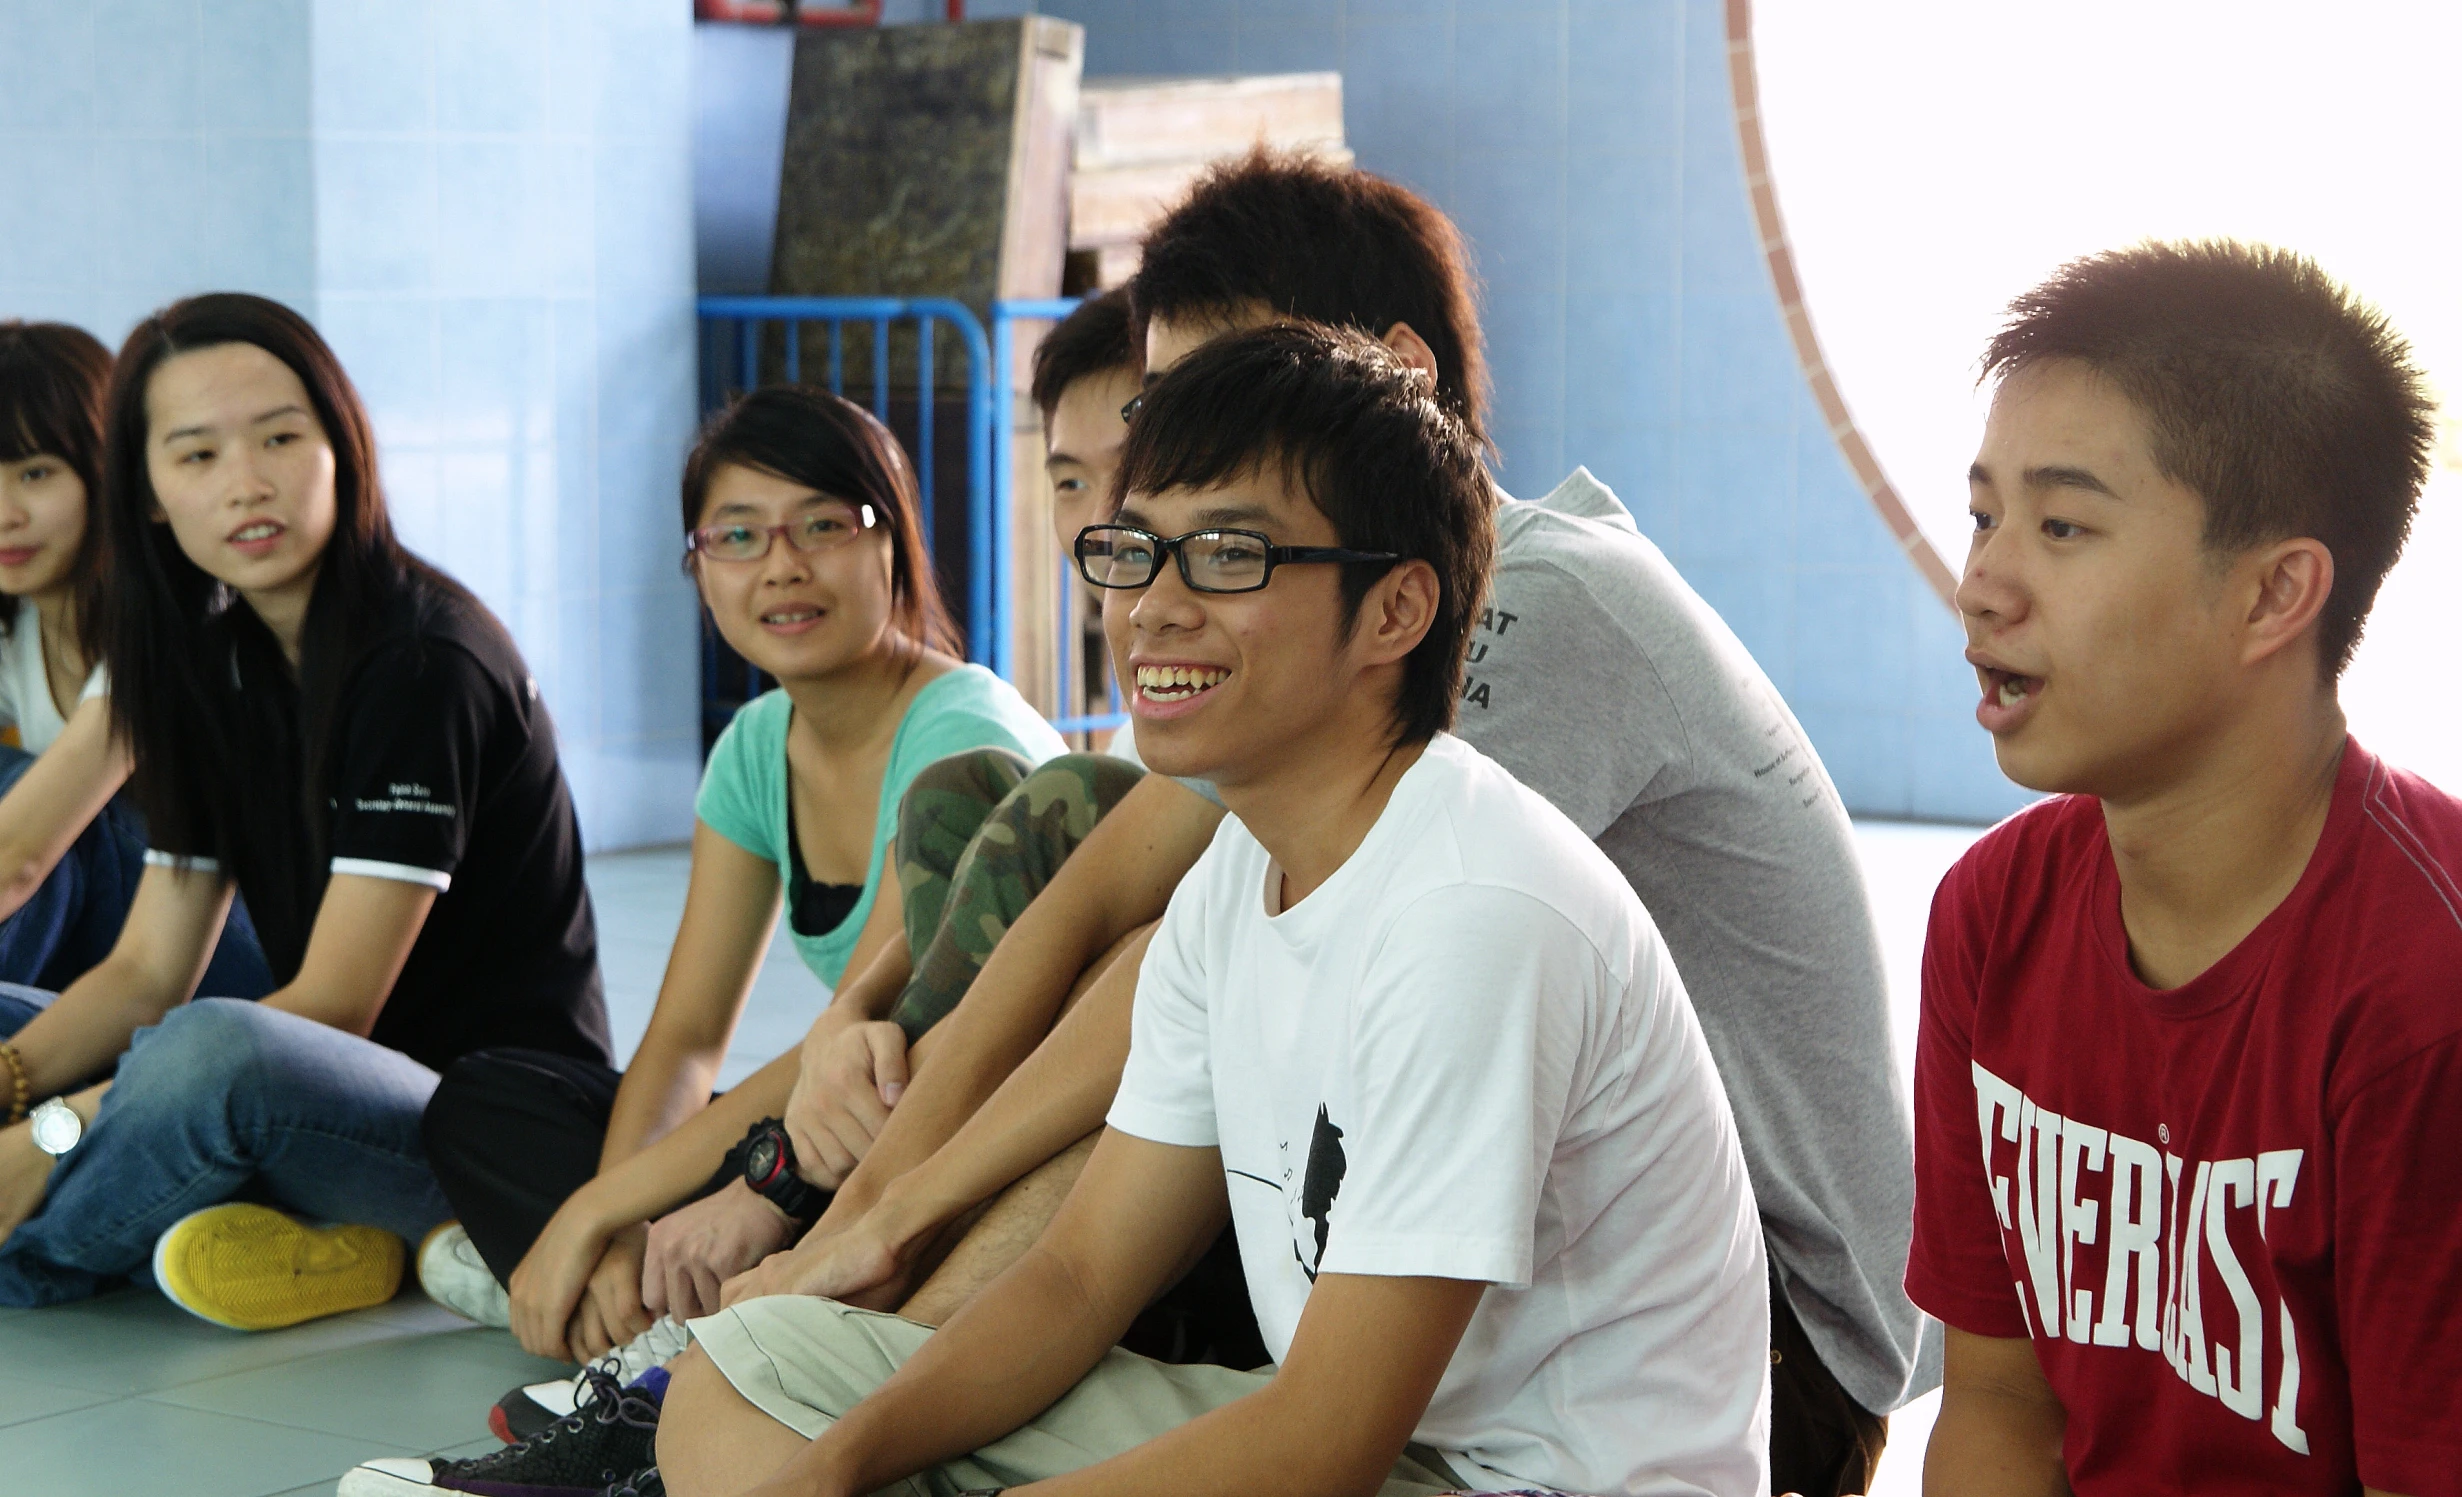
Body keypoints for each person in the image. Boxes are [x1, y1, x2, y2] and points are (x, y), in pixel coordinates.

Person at [726, 152, 1927, 1492]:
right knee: (762, 1378)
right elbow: (1111, 893)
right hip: (1428, 1276)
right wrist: (868, 1214)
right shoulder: (1256, 701)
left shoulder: (1513, 630)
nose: (1147, 492)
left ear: (1395, 374)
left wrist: (897, 1235)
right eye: (1147, 450)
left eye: (1208, 404)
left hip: (1749, 1344)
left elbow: (1309, 1413)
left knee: (1070, 1246)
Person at [1909, 241, 2461, 1494]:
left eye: (2059, 525)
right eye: (1983, 514)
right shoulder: (1991, 916)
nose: (1981, 584)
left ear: (2274, 594)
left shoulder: (2421, 995)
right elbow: (1996, 1403)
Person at [413, 385, 1070, 1369]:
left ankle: (612, 1309)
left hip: (961, 1129)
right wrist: (620, 1224)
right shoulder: (758, 747)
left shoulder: (958, 740)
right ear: (698, 565)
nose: (783, 567)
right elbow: (683, 1040)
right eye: (738, 537)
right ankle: (641, 1304)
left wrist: (598, 1208)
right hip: (838, 1116)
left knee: (706, 1188)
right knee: (485, 1103)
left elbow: (877, 1030)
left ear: (891, 544)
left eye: (823, 525)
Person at [0, 292, 609, 1327]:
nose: (247, 484)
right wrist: (12, 1080)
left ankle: (37, 1248)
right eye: (196, 456)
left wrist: (48, 1132)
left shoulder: (423, 660)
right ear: (146, 496)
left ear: (343, 447)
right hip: (303, 1096)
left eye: (281, 437)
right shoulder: (209, 664)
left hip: (464, 1128)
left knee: (214, 1053)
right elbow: (147, 969)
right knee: (44, 1021)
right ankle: (300, 1240)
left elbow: (333, 1006)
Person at [0, 321, 271, 996]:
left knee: (53, 814)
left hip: (224, 953)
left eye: (35, 473)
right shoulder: (19, 622)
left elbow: (19, 858)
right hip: (102, 957)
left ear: (108, 470)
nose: (5, 512)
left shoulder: (178, 616)